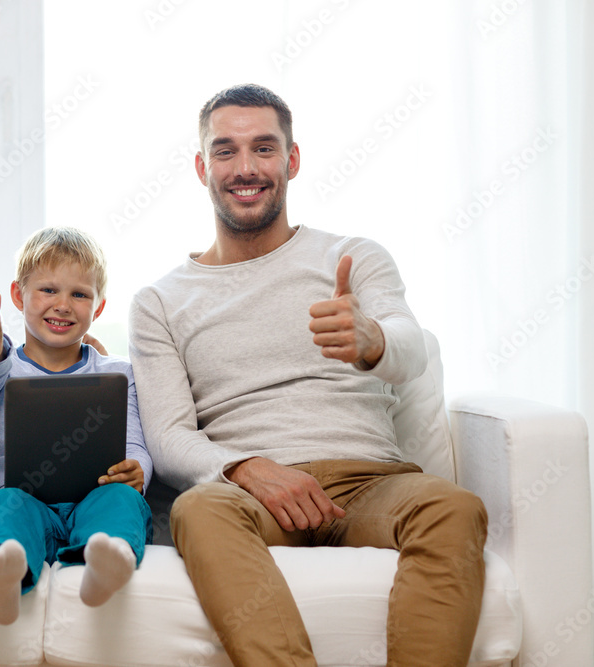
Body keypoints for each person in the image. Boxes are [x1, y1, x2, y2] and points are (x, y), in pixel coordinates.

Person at [128, 84, 488, 667]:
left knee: (454, 507)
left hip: (370, 482)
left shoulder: (353, 256)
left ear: (292, 160)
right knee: (197, 510)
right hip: (253, 496)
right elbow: (168, 439)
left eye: (264, 148)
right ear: (201, 168)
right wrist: (247, 469)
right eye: (225, 151)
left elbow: (409, 348)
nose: (246, 168)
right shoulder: (159, 302)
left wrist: (372, 339)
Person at [0, 226, 153, 625]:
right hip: (25, 504)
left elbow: (134, 443)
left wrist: (137, 470)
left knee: (121, 499)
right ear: (19, 296)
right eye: (48, 290)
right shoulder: (0, 369)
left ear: (98, 308)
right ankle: (3, 570)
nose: (63, 305)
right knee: (8, 505)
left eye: (79, 294)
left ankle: (107, 560)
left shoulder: (118, 372)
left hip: (95, 501)